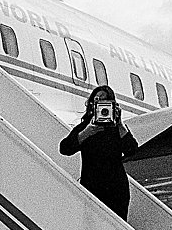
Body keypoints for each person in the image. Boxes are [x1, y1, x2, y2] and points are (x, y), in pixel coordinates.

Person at [59, 85, 139, 220]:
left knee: (116, 226)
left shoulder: (117, 129)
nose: (101, 104)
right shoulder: (84, 128)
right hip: (92, 186)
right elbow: (65, 148)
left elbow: (132, 150)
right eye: (97, 99)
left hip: (116, 188)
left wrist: (120, 124)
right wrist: (86, 133)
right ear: (91, 103)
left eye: (105, 100)